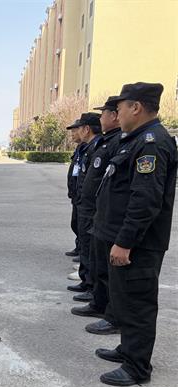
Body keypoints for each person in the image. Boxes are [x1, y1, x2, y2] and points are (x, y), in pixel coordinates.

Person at [92, 82, 177, 386]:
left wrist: (125, 242)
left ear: (136, 107)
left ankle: (137, 367)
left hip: (138, 245)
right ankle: (128, 350)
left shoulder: (151, 143)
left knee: (138, 303)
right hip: (124, 239)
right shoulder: (137, 140)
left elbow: (145, 200)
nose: (118, 114)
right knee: (125, 299)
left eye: (121, 108)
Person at [71, 97, 122, 335]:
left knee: (102, 261)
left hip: (99, 211)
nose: (102, 118)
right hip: (90, 207)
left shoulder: (116, 143)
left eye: (104, 114)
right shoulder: (103, 144)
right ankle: (96, 297)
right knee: (93, 253)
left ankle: (104, 305)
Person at [66, 113, 102, 298]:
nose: (75, 133)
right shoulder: (86, 148)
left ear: (86, 129)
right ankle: (86, 279)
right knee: (83, 236)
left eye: (78, 129)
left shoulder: (97, 147)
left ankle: (90, 283)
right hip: (81, 200)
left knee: (89, 242)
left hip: (90, 204)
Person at [65, 126, 84, 258]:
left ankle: (84, 252)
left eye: (74, 131)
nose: (72, 134)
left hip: (82, 194)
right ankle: (79, 247)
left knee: (82, 224)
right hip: (76, 193)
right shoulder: (80, 148)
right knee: (76, 223)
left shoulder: (89, 147)